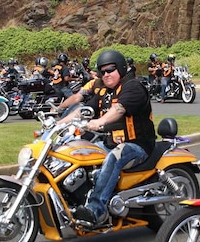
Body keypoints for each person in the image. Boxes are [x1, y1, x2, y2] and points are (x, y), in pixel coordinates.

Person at [65, 50, 156, 227]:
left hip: (137, 145)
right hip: (109, 142)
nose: (106, 74)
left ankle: (95, 209)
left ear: (121, 68)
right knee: (78, 151)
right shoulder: (105, 91)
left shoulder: (133, 87)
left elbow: (120, 109)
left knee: (115, 157)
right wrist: (58, 122)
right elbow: (83, 109)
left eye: (110, 70)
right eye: (102, 71)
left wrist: (100, 121)